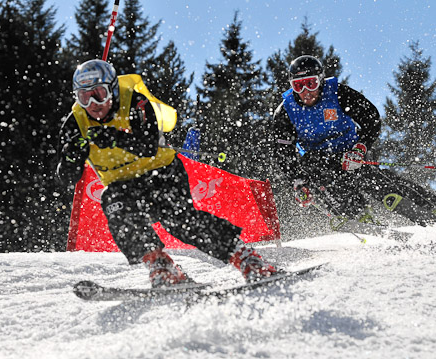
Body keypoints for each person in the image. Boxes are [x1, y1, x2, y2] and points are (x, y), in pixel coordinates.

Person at [57, 59, 278, 287]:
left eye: (99, 94)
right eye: (85, 97)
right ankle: (160, 265)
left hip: (161, 173)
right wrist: (72, 156)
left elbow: (148, 145)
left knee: (179, 220)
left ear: (112, 88)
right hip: (123, 186)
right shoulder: (75, 122)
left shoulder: (134, 102)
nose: (93, 103)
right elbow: (66, 177)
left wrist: (112, 137)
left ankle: (247, 258)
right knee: (113, 203)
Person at [268, 55, 382, 220]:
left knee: (372, 180)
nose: (305, 92)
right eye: (298, 86)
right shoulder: (286, 112)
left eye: (311, 83)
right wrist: (298, 182)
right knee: (318, 170)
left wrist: (361, 148)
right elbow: (283, 153)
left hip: (351, 152)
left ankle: (425, 204)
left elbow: (371, 119)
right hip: (321, 159)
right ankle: (356, 216)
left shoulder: (337, 93)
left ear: (321, 80)